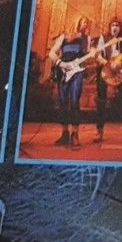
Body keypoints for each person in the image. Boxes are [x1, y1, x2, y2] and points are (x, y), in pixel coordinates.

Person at [46, 16, 93, 148]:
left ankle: (75, 134)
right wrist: (60, 63)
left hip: (77, 71)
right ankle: (65, 134)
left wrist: (92, 54)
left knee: (74, 100)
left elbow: (87, 56)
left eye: (87, 23)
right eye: (83, 22)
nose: (85, 24)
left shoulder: (87, 38)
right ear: (77, 22)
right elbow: (52, 53)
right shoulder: (64, 37)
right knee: (63, 102)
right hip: (63, 71)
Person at [94, 19, 122, 143]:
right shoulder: (103, 39)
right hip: (106, 72)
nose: (115, 28)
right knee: (101, 100)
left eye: (117, 25)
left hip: (120, 73)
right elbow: (97, 55)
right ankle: (99, 131)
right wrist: (108, 63)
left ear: (120, 28)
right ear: (110, 27)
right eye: (113, 25)